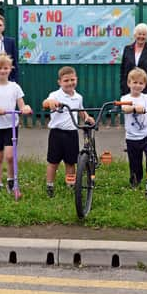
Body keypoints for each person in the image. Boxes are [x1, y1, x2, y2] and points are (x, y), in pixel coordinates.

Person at [0, 53, 32, 194]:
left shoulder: (14, 87)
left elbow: (22, 105)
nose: (2, 71)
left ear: (10, 69)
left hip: (11, 126)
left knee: (10, 156)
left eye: (5, 68)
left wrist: (25, 108)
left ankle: (11, 180)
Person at [42, 66, 95, 198]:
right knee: (53, 161)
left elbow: (80, 110)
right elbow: (45, 103)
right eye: (66, 80)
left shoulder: (78, 97)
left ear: (76, 79)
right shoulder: (55, 95)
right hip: (57, 133)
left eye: (72, 79)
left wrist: (87, 117)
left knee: (71, 162)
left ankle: (70, 185)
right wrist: (50, 102)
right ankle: (50, 185)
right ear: (59, 82)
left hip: (71, 133)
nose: (70, 83)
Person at [119, 23, 147, 99]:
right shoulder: (127, 49)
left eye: (144, 34)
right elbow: (123, 69)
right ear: (135, 35)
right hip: (129, 90)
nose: (141, 37)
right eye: (139, 34)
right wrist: (124, 85)